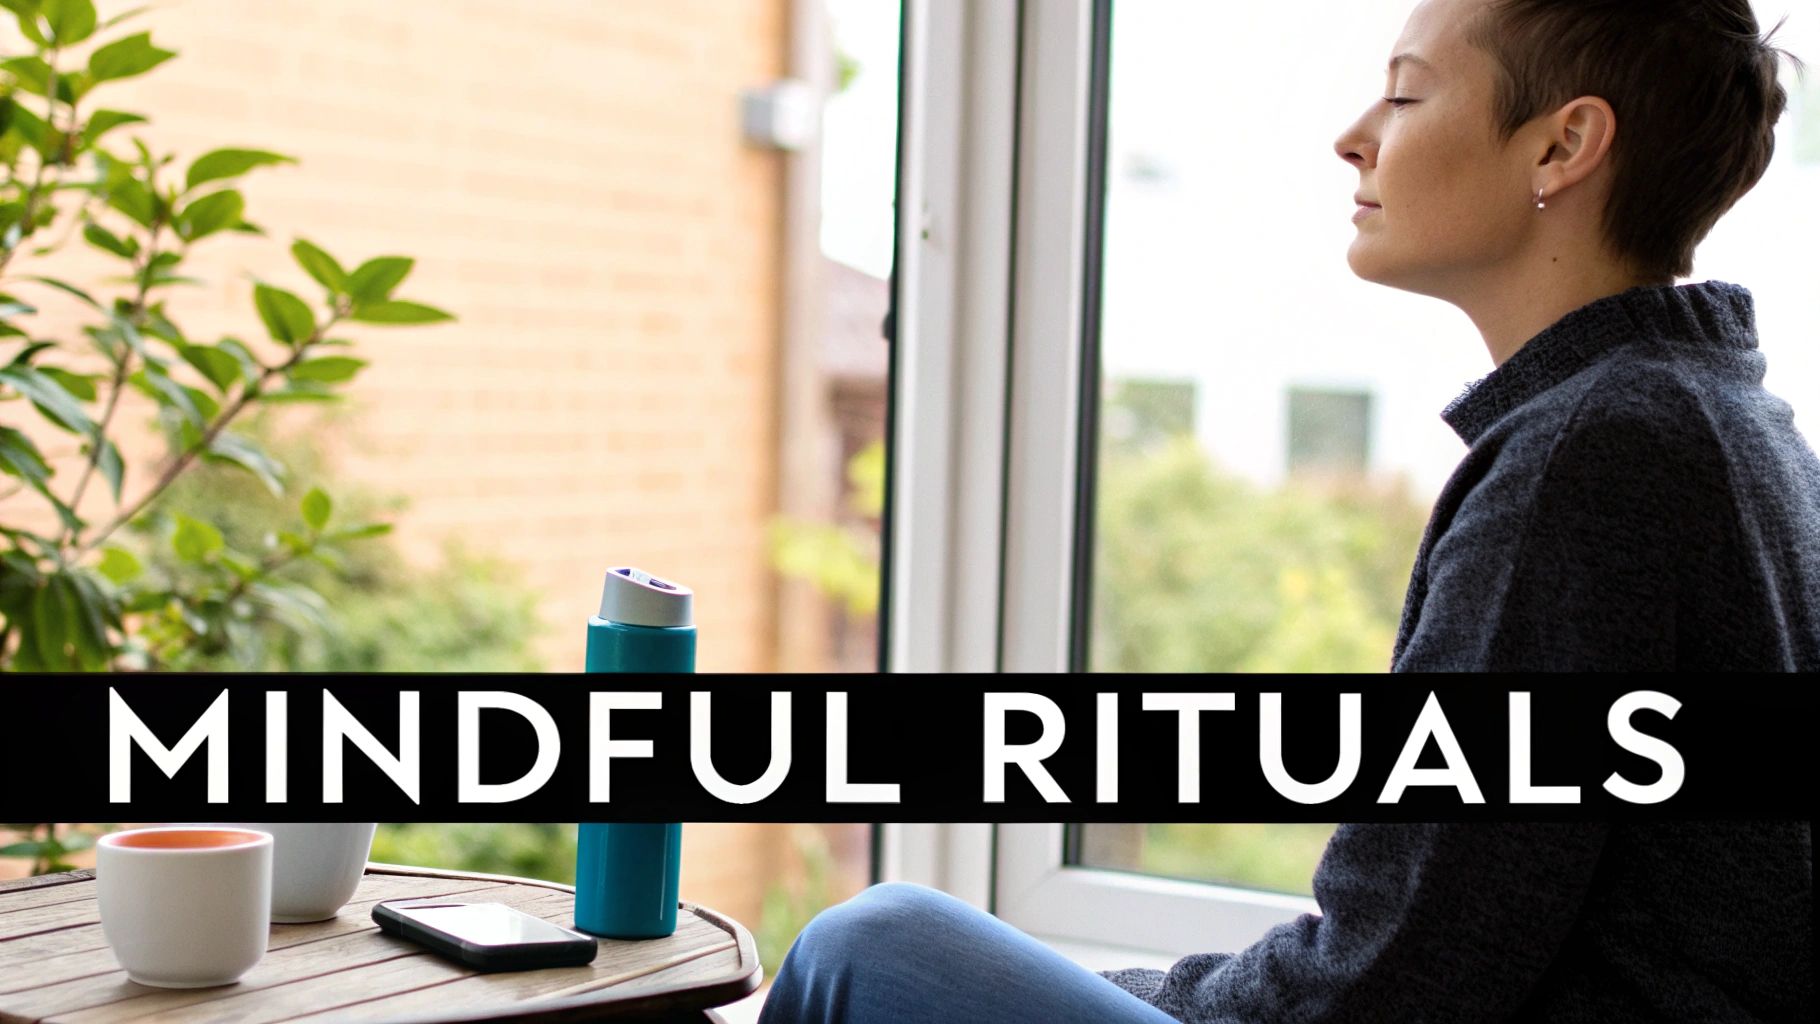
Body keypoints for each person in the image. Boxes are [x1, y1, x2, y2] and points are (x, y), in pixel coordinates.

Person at [757, 0, 1814, 1021]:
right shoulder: (1732, 425)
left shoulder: (1591, 454)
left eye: (1402, 98)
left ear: (1560, 146)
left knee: (871, 947)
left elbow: (1397, 974)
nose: (1351, 140)